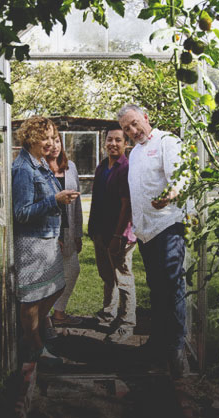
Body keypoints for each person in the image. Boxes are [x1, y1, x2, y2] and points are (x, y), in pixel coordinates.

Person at [117, 104, 189, 378]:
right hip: (146, 232)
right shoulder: (134, 153)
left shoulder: (167, 142)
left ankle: (176, 351)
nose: (133, 131)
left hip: (168, 227)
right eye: (127, 128)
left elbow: (181, 178)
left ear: (146, 118)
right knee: (157, 289)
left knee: (172, 287)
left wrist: (169, 196)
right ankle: (158, 344)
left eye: (135, 123)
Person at [11, 116, 80, 363]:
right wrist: (55, 200)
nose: (51, 143)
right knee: (31, 299)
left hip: (46, 238)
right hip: (31, 243)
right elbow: (21, 213)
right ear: (30, 138)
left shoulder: (39, 164)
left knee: (57, 286)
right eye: (45, 137)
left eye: (53, 137)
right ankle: (35, 348)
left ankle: (33, 333)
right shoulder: (23, 170)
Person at [88, 123, 137, 343]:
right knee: (107, 276)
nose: (113, 144)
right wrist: (92, 228)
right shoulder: (102, 167)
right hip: (101, 231)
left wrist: (119, 237)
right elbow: (97, 201)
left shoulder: (126, 168)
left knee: (123, 279)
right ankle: (109, 314)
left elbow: (127, 205)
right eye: (110, 139)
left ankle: (127, 324)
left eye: (118, 140)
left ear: (126, 144)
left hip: (120, 234)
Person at [46, 129, 83, 326]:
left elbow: (77, 204)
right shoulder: (40, 169)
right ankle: (44, 316)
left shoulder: (71, 167)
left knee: (73, 269)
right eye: (51, 141)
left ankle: (59, 311)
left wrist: (78, 233)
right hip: (47, 232)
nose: (55, 145)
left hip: (68, 229)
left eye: (58, 141)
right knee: (48, 274)